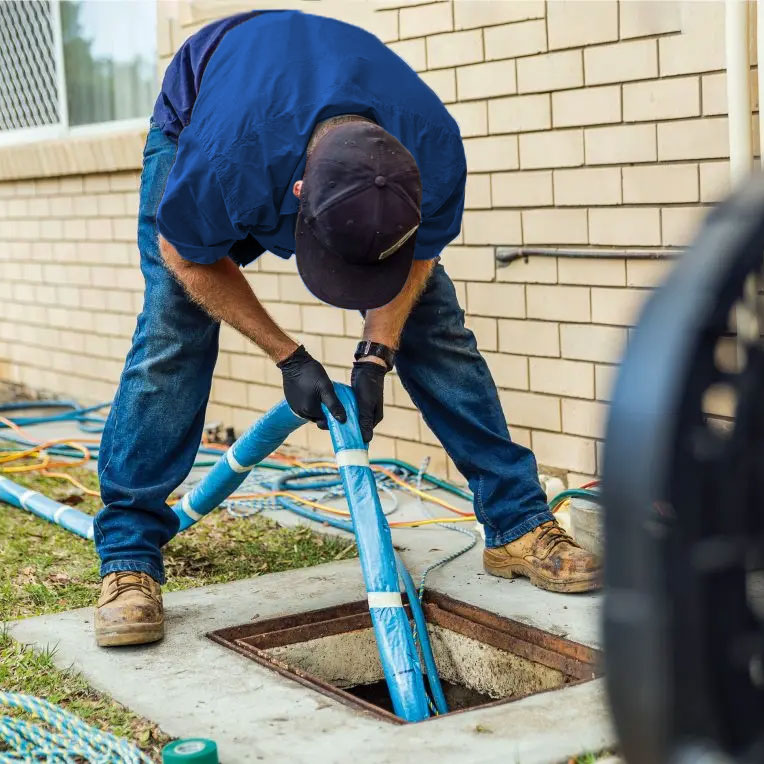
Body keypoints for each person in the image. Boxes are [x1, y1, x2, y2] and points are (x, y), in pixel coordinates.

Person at [93, 10, 599, 648]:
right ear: (299, 193)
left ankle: (517, 521)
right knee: (175, 330)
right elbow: (186, 255)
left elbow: (420, 258)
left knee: (435, 325)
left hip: (314, 113)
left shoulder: (433, 150)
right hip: (208, 107)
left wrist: (376, 355)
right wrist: (289, 358)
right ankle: (129, 557)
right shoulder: (224, 157)